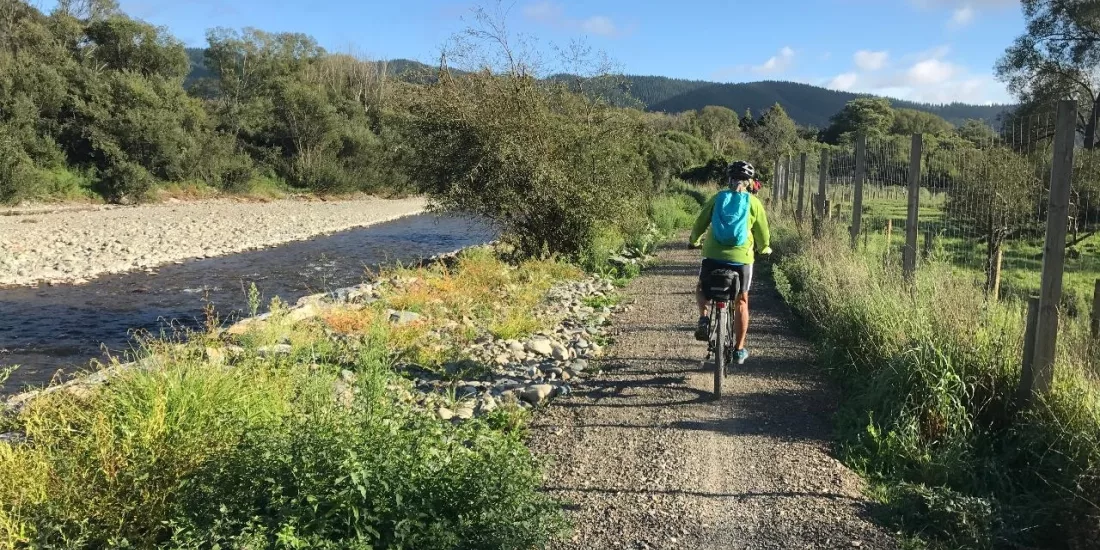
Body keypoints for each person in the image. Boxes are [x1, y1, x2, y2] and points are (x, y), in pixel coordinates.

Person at [688, 161, 772, 365]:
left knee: (701, 287)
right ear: (750, 182)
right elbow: (762, 231)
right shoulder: (754, 203)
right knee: (742, 300)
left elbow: (701, 221)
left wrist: (694, 241)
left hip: (713, 255)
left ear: (729, 180)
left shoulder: (718, 198)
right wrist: (764, 248)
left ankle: (704, 316)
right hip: (741, 259)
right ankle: (739, 349)